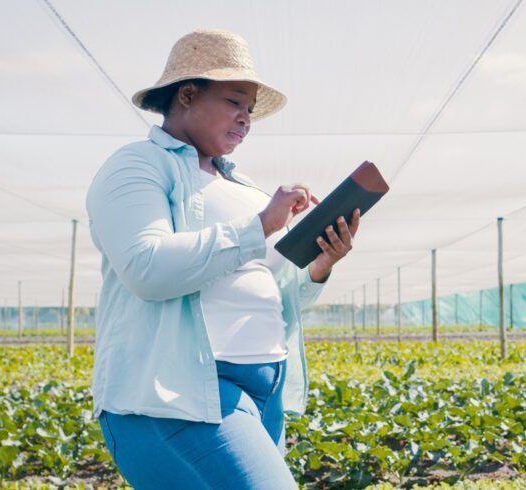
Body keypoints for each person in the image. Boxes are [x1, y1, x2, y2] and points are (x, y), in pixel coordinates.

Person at [86, 29, 359, 489]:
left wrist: (319, 265)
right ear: (188, 94)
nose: (245, 118)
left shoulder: (244, 187)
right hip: (178, 393)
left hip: (261, 395)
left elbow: (271, 294)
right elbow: (147, 268)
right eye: (235, 101)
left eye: (250, 110)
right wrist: (261, 226)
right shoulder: (138, 165)